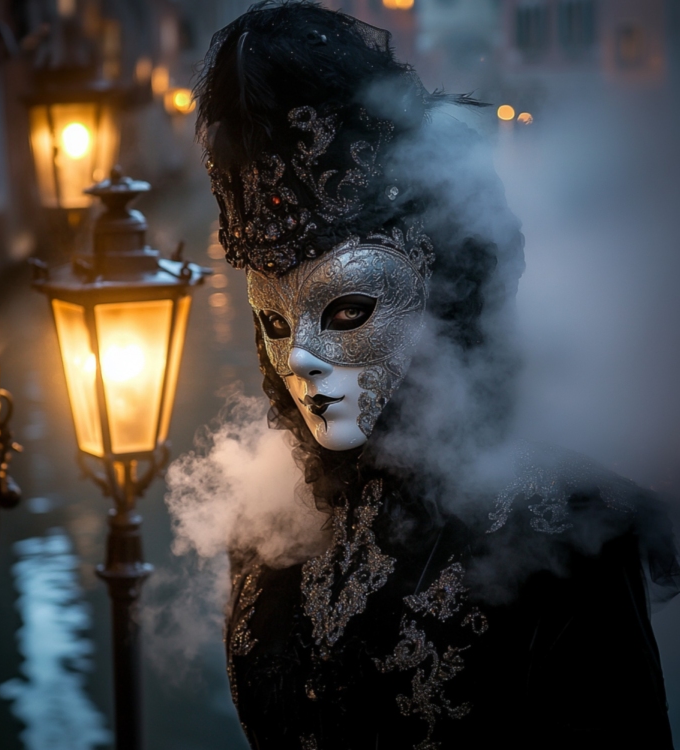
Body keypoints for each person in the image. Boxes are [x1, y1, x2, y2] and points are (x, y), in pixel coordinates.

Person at [194, 2, 679, 748]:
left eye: (348, 310)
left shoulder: (567, 540)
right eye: (275, 322)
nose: (301, 361)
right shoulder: (268, 532)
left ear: (438, 294)